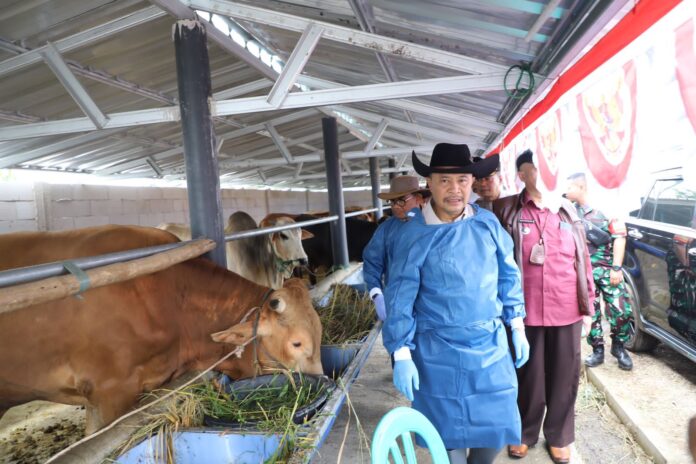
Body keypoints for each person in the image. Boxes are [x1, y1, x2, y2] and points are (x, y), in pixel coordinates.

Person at [383, 143, 530, 464]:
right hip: (438, 356)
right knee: (447, 441)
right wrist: (402, 352)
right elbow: (399, 298)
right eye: (445, 181)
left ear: (471, 182)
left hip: (490, 350)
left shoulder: (487, 224)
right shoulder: (413, 235)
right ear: (430, 185)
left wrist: (516, 324)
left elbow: (509, 275)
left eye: (462, 180)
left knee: (493, 430)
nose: (455, 189)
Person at [493, 149, 595, 464]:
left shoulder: (569, 211)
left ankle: (560, 436)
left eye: (549, 167)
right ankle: (523, 433)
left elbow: (583, 260)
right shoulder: (506, 209)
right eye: (534, 168)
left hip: (566, 307)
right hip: (524, 312)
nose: (543, 174)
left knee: (565, 376)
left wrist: (589, 304)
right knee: (528, 375)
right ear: (522, 174)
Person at [565, 172, 634, 370]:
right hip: (582, 272)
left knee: (621, 310)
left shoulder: (606, 208)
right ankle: (597, 350)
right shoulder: (569, 211)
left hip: (606, 269)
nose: (566, 191)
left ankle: (619, 347)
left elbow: (620, 238)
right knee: (590, 312)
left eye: (569, 187)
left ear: (581, 187)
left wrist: (616, 268)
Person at [362, 175, 429, 321]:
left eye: (401, 200)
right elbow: (372, 261)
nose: (395, 206)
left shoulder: (433, 224)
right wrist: (376, 293)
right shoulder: (386, 229)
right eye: (392, 201)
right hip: (398, 302)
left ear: (418, 198)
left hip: (431, 303)